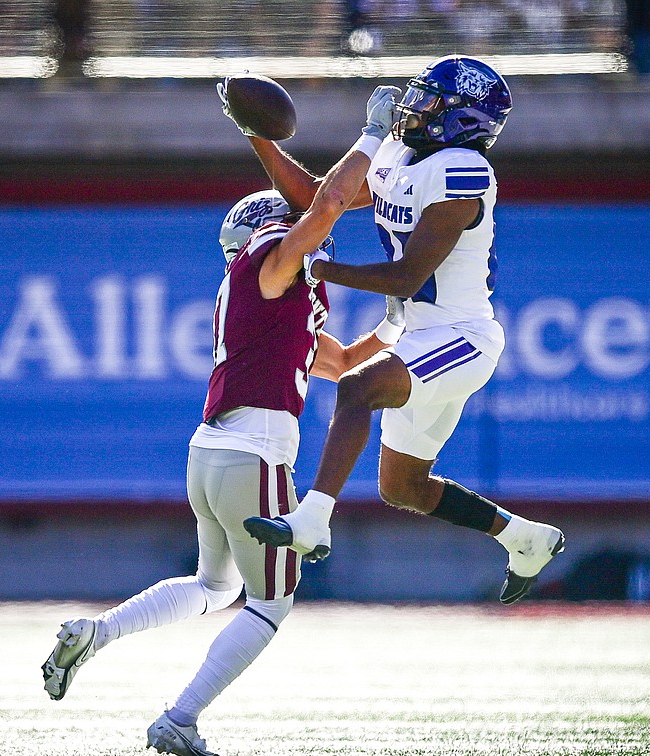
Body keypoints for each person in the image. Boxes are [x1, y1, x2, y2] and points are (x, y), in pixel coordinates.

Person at [40, 96, 404, 756]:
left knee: (216, 587)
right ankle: (179, 718)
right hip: (255, 454)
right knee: (271, 605)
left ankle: (96, 633)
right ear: (272, 228)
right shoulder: (271, 261)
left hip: (211, 454)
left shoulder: (261, 295)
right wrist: (373, 136)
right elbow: (323, 206)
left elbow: (345, 360)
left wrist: (394, 324)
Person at [225, 55, 566, 605]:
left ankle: (312, 519)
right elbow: (316, 199)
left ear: (462, 118)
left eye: (431, 99)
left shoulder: (464, 169)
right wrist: (256, 134)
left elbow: (410, 275)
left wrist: (320, 267)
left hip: (463, 336)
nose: (414, 107)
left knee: (358, 385)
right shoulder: (402, 154)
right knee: (402, 487)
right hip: (422, 335)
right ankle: (525, 539)